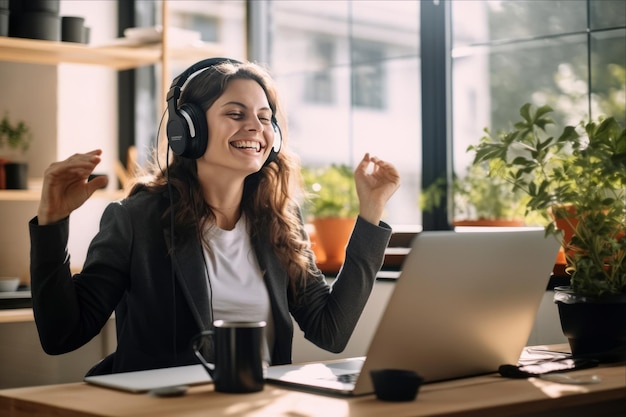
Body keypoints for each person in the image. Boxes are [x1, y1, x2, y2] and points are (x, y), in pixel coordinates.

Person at [29, 58, 401, 376]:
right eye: (235, 114)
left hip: (259, 404)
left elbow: (330, 332)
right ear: (188, 129)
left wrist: (370, 213)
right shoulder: (136, 220)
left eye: (265, 118)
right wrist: (51, 225)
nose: (256, 127)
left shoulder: (277, 221)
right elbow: (64, 335)